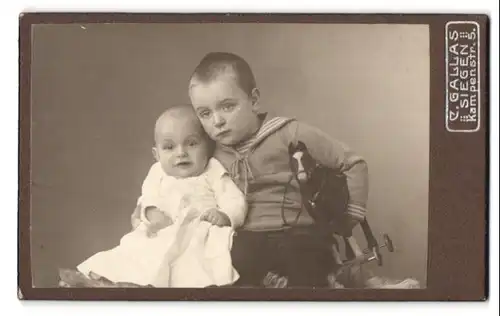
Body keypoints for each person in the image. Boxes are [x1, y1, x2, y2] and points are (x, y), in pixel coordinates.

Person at [185, 51, 370, 288]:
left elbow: (353, 163)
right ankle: (272, 283)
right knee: (222, 262)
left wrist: (351, 215)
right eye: (205, 113)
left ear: (254, 100)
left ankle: (304, 282)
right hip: (247, 236)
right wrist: (147, 209)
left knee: (305, 259)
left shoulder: (290, 133)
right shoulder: (213, 151)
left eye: (227, 107)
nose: (217, 121)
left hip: (298, 231)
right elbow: (177, 178)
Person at [77, 105, 247, 288]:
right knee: (135, 253)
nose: (181, 152)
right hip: (161, 230)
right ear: (156, 155)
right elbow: (146, 197)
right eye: (169, 147)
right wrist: (150, 212)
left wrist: (225, 216)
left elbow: (234, 199)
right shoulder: (157, 172)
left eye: (191, 143)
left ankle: (153, 290)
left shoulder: (212, 170)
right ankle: (109, 282)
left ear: (208, 147)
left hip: (198, 233)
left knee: (192, 266)